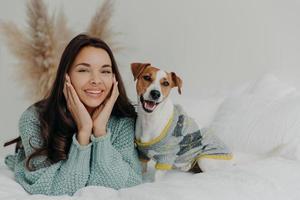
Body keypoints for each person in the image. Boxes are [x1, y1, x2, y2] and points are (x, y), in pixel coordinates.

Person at [4, 34, 142, 196]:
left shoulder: (123, 119)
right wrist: (84, 132)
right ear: (66, 76)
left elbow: (125, 182)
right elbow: (57, 189)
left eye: (105, 71)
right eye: (83, 70)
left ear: (114, 79)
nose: (96, 80)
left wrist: (100, 131)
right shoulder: (35, 118)